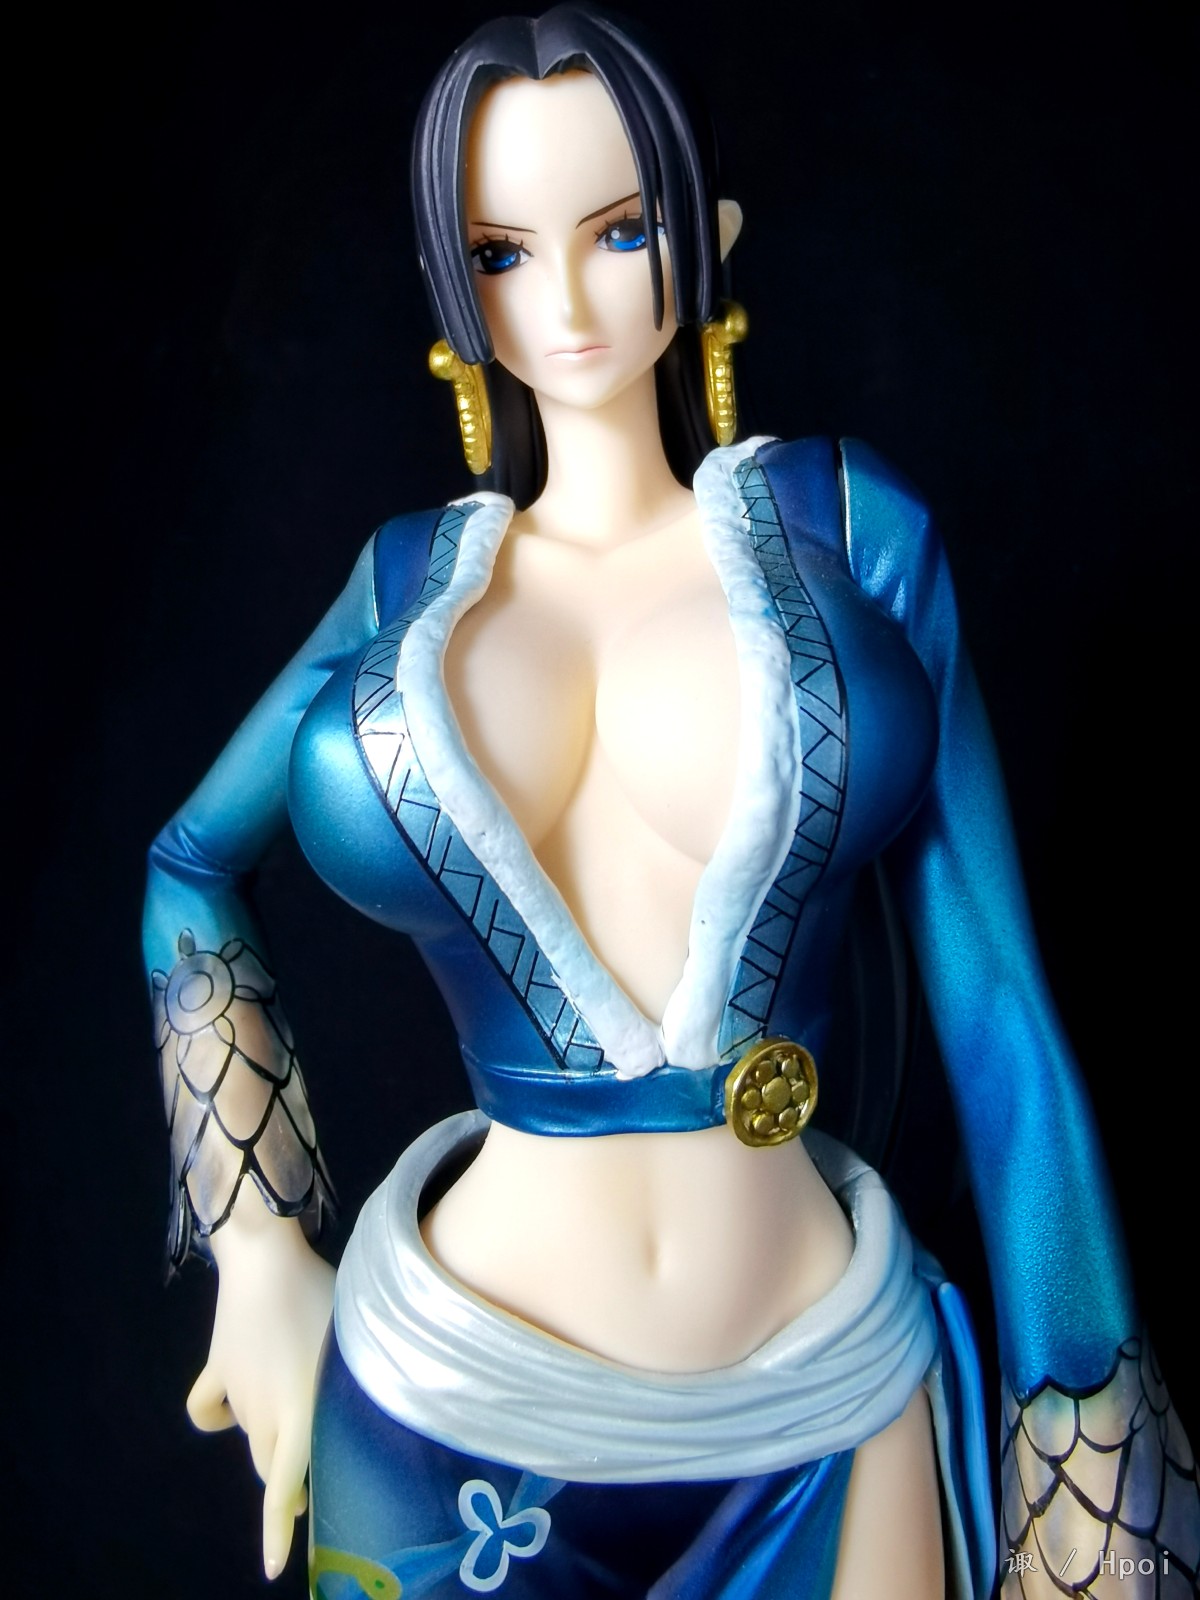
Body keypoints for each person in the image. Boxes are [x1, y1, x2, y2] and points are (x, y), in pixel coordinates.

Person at [143, 8, 1198, 1598]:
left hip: (826, 1383)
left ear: (710, 234)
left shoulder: (853, 533)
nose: (565, 301)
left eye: (620, 231)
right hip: (445, 1399)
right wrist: (258, 1246)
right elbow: (189, 864)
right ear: (449, 283)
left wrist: (1086, 1449)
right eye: (503, 253)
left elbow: (1000, 1018)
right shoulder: (408, 586)